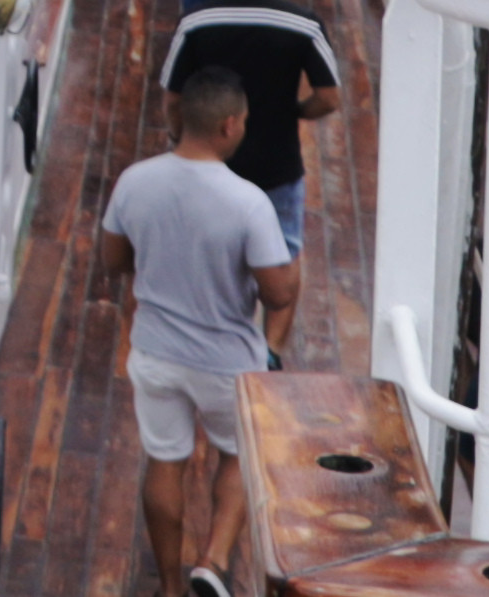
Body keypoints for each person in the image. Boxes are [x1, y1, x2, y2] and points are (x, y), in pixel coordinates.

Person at [102, 69, 298, 597]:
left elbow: (113, 259)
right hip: (225, 363)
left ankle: (168, 587)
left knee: (166, 460)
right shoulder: (248, 203)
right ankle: (211, 561)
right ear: (229, 125)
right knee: (237, 455)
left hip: (156, 351)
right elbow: (278, 294)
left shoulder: (134, 181)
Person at [164, 0, 342, 259]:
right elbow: (329, 98)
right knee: (280, 260)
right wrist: (295, 111)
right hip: (278, 166)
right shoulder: (304, 25)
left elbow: (173, 100)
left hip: (211, 165)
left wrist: (179, 139)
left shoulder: (195, 23)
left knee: (208, 256)